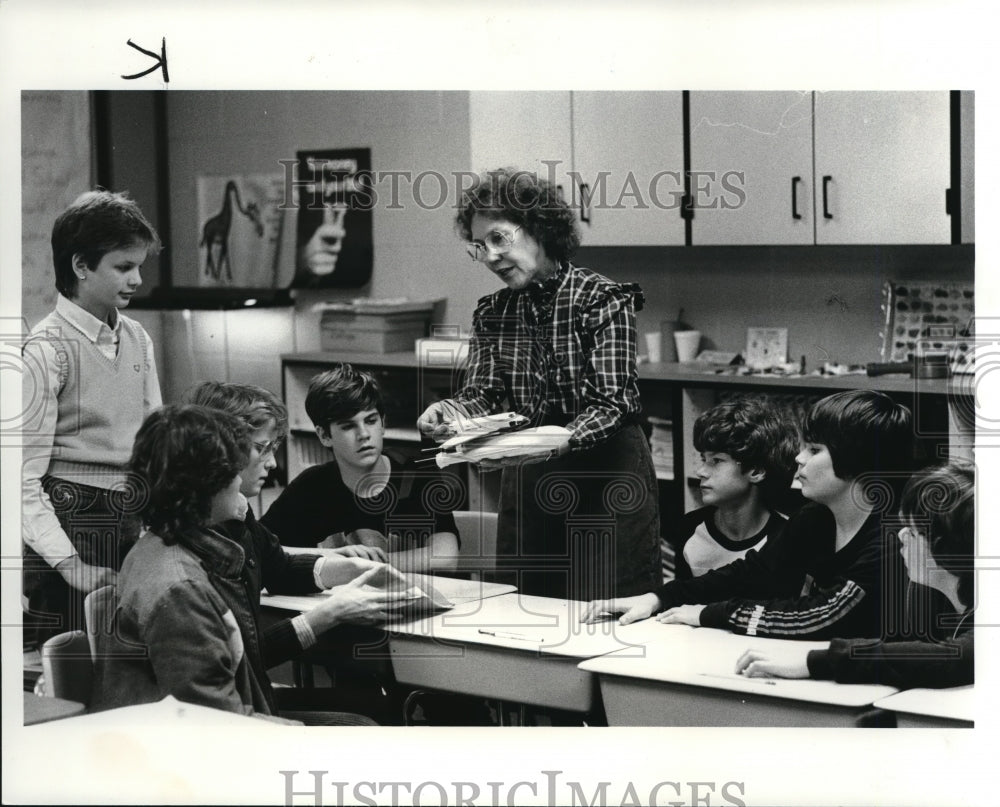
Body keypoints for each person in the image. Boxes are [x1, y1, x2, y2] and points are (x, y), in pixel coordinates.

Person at [417, 167, 660, 602]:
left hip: (606, 476)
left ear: (538, 227)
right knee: (526, 604)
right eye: (479, 247)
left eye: (498, 239)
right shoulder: (493, 312)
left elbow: (611, 404)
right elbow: (482, 394)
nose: (490, 256)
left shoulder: (602, 299)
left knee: (609, 609)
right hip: (531, 480)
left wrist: (552, 440)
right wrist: (450, 414)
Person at [90, 405, 410, 724]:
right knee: (362, 728)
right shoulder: (180, 592)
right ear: (205, 484)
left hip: (207, 725)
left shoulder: (161, 546)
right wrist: (307, 738)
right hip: (188, 751)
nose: (244, 476)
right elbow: (222, 727)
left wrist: (339, 578)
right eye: (234, 468)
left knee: (367, 717)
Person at [582, 390, 914, 640]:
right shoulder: (816, 519)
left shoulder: (893, 537)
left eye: (814, 450)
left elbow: (824, 614)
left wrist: (713, 614)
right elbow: (750, 573)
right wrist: (657, 598)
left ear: (855, 461)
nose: (799, 459)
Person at [184, 381, 400, 678]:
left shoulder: (235, 513)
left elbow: (279, 568)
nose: (272, 463)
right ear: (219, 450)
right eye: (262, 449)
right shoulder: (194, 549)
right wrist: (329, 613)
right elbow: (236, 664)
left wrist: (350, 568)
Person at [22, 190, 162, 647]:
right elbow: (21, 480)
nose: (137, 279)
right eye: (124, 267)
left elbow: (155, 443)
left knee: (129, 670)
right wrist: (70, 565)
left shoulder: (138, 338)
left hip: (129, 523)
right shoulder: (45, 350)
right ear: (81, 266)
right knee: (73, 675)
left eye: (139, 266)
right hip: (69, 529)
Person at [735, 461, 974, 689]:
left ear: (945, 546)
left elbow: (952, 657)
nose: (901, 536)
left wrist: (814, 661)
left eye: (912, 531)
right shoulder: (938, 598)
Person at [262, 364, 460, 574]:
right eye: (348, 426)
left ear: (383, 423)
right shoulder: (311, 486)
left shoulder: (417, 477)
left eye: (371, 421)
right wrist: (332, 558)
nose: (363, 434)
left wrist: (360, 566)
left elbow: (446, 556)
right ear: (324, 436)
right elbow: (256, 548)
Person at [670, 396, 799, 580]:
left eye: (716, 461)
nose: (700, 472)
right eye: (703, 459)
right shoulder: (690, 527)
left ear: (756, 471)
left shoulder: (786, 538)